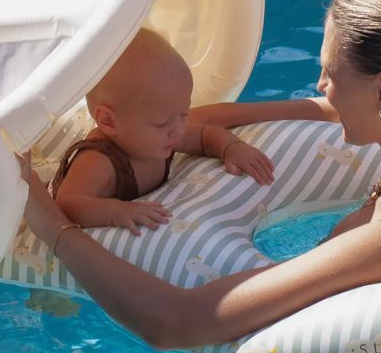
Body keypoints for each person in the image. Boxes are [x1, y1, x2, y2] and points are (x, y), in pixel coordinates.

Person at [19, 0, 381, 349]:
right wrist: (206, 127)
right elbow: (290, 112)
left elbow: (175, 323)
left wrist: (52, 227)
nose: (321, 86)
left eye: (329, 73)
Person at [50, 28, 275, 234]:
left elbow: (204, 136)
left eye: (184, 114)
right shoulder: (99, 161)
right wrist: (116, 211)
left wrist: (231, 148)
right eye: (162, 122)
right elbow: (68, 203)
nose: (179, 129)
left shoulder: (160, 136)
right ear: (109, 121)